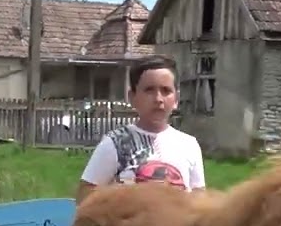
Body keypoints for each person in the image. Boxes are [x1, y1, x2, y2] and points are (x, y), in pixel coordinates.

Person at [76, 54, 207, 203]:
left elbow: (199, 199)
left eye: (166, 90)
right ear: (132, 97)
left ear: (176, 99)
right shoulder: (115, 143)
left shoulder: (188, 145)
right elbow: (85, 196)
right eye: (149, 90)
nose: (158, 99)